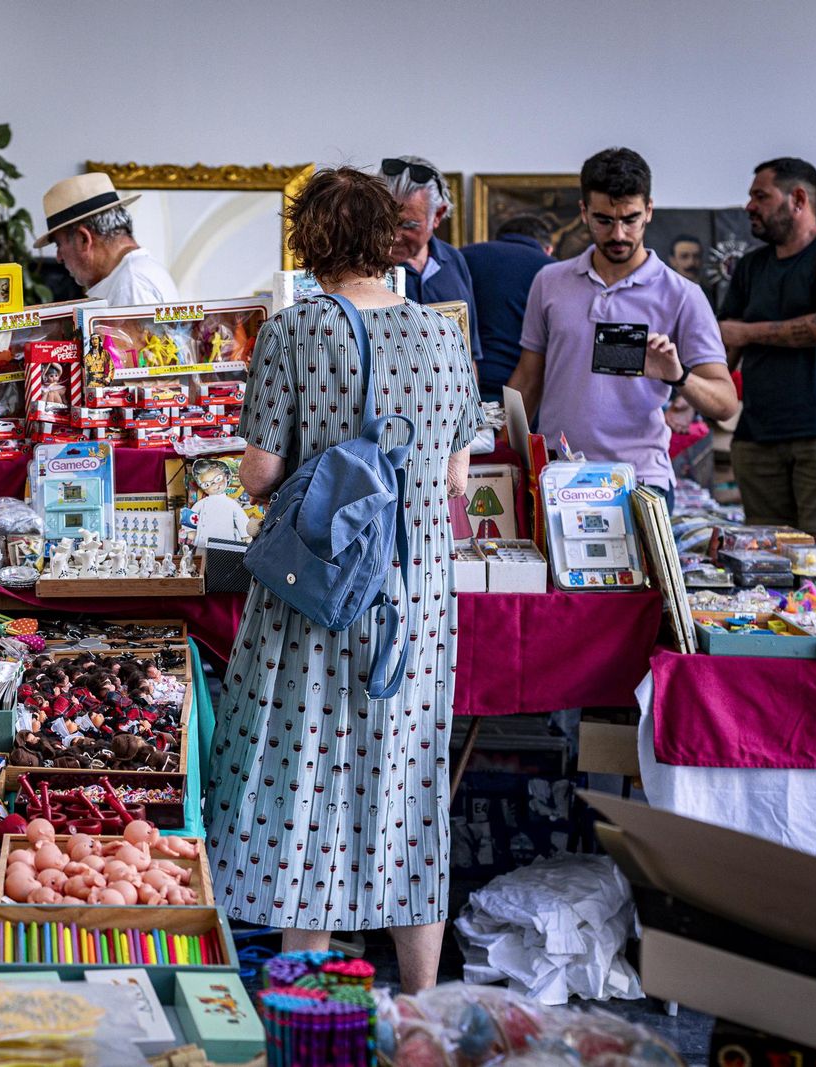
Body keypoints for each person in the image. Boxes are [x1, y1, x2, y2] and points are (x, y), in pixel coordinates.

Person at [205, 166, 479, 993]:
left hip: (318, 599)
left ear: (312, 242)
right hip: (417, 603)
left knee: (309, 778)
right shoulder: (443, 332)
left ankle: (308, 998)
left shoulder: (298, 330)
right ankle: (422, 1003)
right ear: (388, 237)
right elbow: (460, 478)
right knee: (409, 783)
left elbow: (258, 475)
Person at [508, 147, 738, 507]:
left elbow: (725, 403)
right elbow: (527, 379)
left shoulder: (682, 295)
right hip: (558, 474)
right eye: (604, 220)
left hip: (640, 479)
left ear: (649, 210)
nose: (618, 233)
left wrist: (678, 376)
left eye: (630, 219)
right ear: (583, 212)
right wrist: (507, 456)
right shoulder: (550, 282)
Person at [719, 158, 816, 571]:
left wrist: (747, 333)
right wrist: (681, 395)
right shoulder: (750, 267)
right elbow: (722, 346)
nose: (750, 206)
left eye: (760, 196)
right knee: (764, 560)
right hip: (758, 433)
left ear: (798, 198)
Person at [381, 155, 481, 361]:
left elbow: (469, 353)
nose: (393, 236)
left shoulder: (453, 260)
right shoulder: (364, 265)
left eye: (408, 225)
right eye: (385, 222)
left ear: (437, 215)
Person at [35, 173, 179, 304]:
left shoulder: (129, 285)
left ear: (83, 239)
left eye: (58, 244)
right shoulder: (134, 274)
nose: (59, 257)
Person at [460, 214, 554, 402]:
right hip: (524, 392)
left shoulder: (463, 256)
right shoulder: (552, 271)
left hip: (465, 383)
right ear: (548, 249)